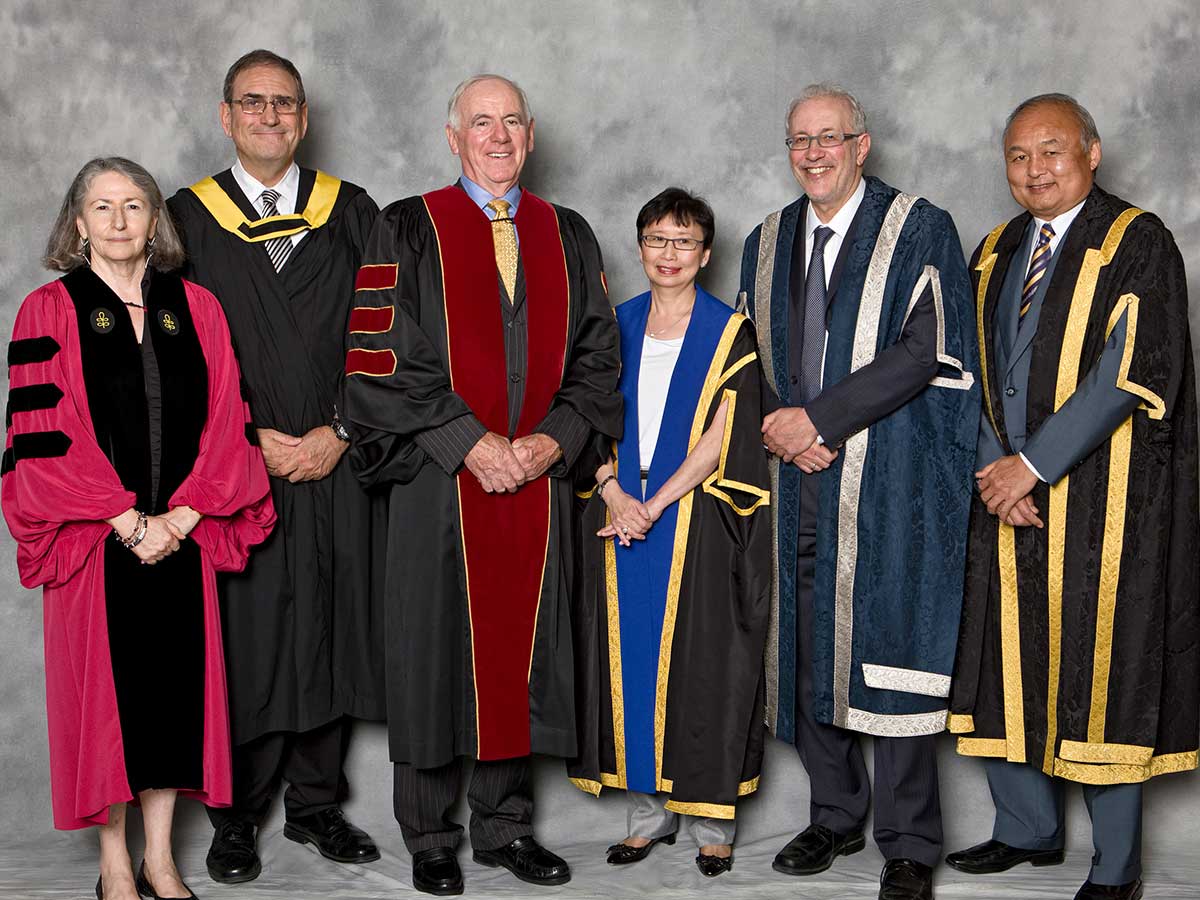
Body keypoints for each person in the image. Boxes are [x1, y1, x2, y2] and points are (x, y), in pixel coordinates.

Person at [341, 73, 621, 896]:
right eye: (480, 123)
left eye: (511, 123)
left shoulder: (567, 232)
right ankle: (430, 835)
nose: (497, 137)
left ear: (530, 136)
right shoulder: (408, 226)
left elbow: (599, 361)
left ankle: (504, 830)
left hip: (535, 483)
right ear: (452, 135)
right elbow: (381, 355)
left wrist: (550, 442)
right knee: (434, 647)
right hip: (438, 480)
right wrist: (467, 444)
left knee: (518, 650)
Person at [945, 93, 1199, 900]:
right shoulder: (993, 251)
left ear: (1091, 152)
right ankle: (1027, 830)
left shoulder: (1137, 241)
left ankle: (1117, 865)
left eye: (1051, 151)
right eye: (1018, 156)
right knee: (1007, 660)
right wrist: (996, 472)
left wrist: (1034, 466)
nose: (1034, 170)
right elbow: (966, 377)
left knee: (1102, 671)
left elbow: (1131, 369)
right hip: (1006, 496)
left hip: (1105, 504)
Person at [1, 157, 274, 900]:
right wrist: (126, 520)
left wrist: (182, 518)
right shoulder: (48, 311)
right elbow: (45, 435)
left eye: (133, 206)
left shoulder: (198, 308)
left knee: (170, 701)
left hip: (180, 541)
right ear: (77, 223)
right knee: (108, 705)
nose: (119, 220)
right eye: (102, 207)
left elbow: (228, 424)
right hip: (98, 543)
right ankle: (114, 865)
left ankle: (160, 857)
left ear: (155, 220)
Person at [739, 83, 979, 900]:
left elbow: (928, 347)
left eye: (830, 138)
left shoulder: (921, 227)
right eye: (799, 139)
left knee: (890, 650)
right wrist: (779, 423)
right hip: (795, 486)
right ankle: (834, 813)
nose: (814, 153)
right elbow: (747, 357)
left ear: (862, 144)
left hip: (887, 484)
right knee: (806, 646)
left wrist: (819, 422)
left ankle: (909, 840)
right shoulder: (766, 240)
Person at [166, 49, 385, 884]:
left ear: (303, 116)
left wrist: (339, 429)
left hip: (335, 458)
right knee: (246, 637)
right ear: (226, 116)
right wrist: (244, 438)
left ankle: (318, 807)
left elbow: (387, 337)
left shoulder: (351, 210)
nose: (269, 116)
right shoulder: (184, 219)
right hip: (237, 466)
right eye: (252, 103)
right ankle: (234, 814)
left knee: (329, 624)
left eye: (284, 104)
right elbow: (171, 353)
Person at [567, 188, 771, 878]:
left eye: (684, 242)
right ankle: (648, 817)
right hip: (617, 507)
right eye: (657, 239)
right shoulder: (612, 324)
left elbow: (727, 432)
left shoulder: (728, 329)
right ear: (641, 246)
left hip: (694, 513)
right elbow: (586, 420)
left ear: (706, 253)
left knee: (702, 665)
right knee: (629, 663)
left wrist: (657, 503)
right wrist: (616, 493)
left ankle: (712, 821)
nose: (669, 254)